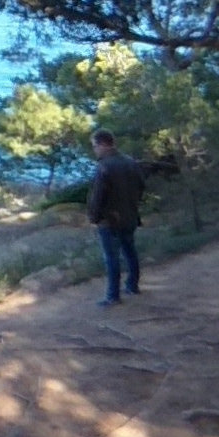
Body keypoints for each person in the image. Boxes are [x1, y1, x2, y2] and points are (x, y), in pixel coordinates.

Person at [83, 129, 156, 307]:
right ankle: (132, 286)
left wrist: (94, 217)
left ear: (102, 144)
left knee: (111, 257)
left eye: (94, 146)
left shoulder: (104, 166)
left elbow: (98, 195)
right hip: (130, 215)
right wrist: (133, 204)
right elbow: (141, 185)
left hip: (109, 219)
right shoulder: (131, 162)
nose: (94, 150)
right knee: (130, 251)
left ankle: (112, 296)